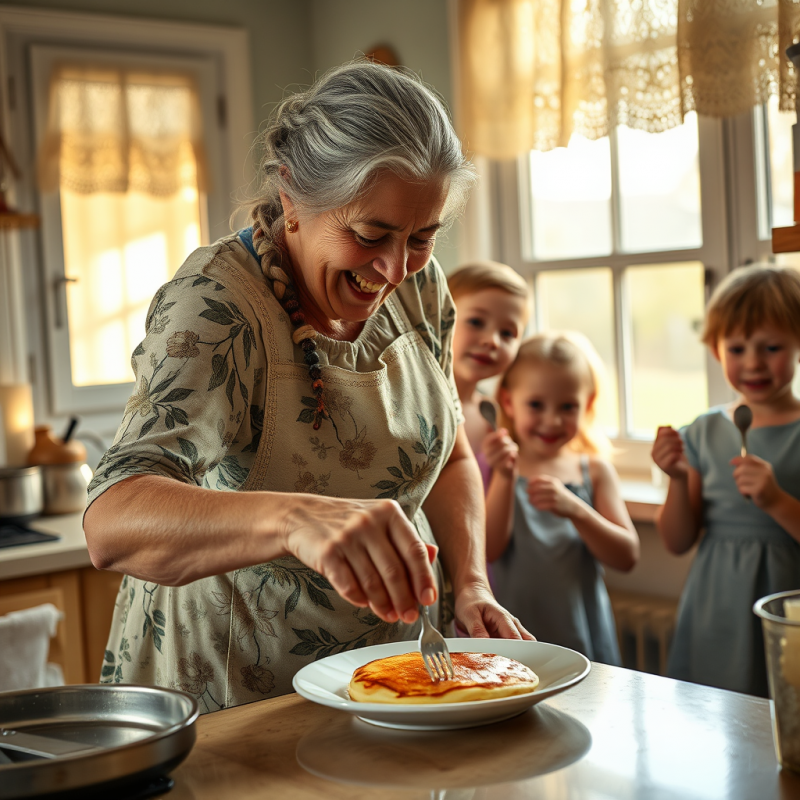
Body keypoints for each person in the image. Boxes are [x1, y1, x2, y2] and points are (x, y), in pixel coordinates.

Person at [83, 61, 531, 712]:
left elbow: (453, 454)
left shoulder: (420, 287)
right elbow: (112, 521)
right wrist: (294, 518)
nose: (393, 269)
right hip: (234, 696)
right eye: (370, 235)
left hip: (390, 680)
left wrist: (470, 587)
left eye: (422, 237)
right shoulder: (215, 309)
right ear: (292, 198)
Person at [652, 264, 800, 696]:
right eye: (736, 349)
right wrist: (677, 479)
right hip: (715, 606)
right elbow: (678, 541)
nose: (752, 362)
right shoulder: (702, 431)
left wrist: (775, 500)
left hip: (788, 608)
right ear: (716, 351)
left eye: (771, 347)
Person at [487, 332, 639, 663]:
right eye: (536, 404)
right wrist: (502, 477)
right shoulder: (498, 467)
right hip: (517, 635)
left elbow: (627, 556)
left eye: (568, 406)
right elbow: (489, 550)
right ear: (509, 402)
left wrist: (577, 510)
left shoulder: (595, 472)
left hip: (581, 630)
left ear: (588, 404)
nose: (552, 420)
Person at [447, 262, 530, 564]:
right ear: (441, 316)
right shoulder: (420, 405)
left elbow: (490, 548)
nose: (492, 340)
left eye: (507, 332)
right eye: (476, 322)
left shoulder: (492, 416)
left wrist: (506, 476)